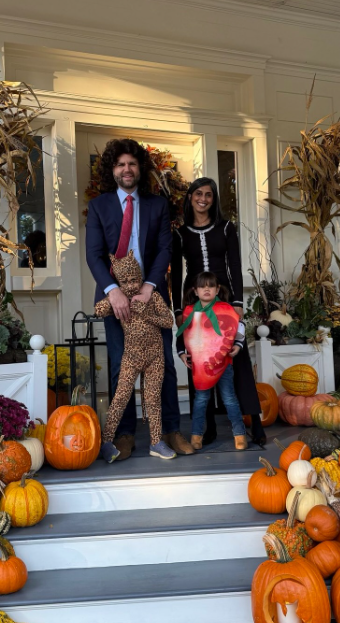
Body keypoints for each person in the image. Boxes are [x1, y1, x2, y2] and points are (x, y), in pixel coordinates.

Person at [86, 138, 194, 459]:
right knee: (122, 368)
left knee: (166, 367)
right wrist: (113, 291)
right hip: (115, 298)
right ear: (113, 170)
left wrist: (149, 286)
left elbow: (164, 249)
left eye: (132, 163)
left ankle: (171, 430)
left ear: (139, 168)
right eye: (120, 164)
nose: (127, 169)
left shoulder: (156, 205)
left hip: (152, 296)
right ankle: (125, 435)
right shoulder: (99, 206)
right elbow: (93, 255)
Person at [171, 177, 266, 446]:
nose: (203, 199)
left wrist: (237, 302)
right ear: (190, 197)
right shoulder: (179, 233)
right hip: (194, 302)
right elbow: (176, 274)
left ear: (214, 200)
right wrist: (178, 309)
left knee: (237, 357)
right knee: (199, 359)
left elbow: (234, 264)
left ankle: (254, 422)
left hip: (223, 298)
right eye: (198, 194)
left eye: (209, 195)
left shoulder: (225, 228)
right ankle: (207, 426)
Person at [95, 251, 177, 462]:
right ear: (119, 281)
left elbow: (168, 321)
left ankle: (156, 442)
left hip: (155, 357)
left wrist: (146, 313)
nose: (131, 285)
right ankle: (106, 441)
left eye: (134, 280)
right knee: (120, 397)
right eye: (125, 281)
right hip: (131, 357)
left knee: (153, 399)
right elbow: (98, 310)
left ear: (140, 277)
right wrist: (114, 299)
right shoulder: (120, 299)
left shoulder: (153, 297)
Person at [176, 272, 248, 451]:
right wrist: (181, 353)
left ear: (217, 290)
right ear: (195, 291)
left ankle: (240, 435)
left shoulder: (226, 308)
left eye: (210, 286)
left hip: (224, 364)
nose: (206, 289)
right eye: (202, 286)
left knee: (229, 399)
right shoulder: (189, 312)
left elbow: (239, 326)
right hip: (201, 367)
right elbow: (182, 333)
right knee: (200, 401)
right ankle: (196, 435)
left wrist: (238, 346)